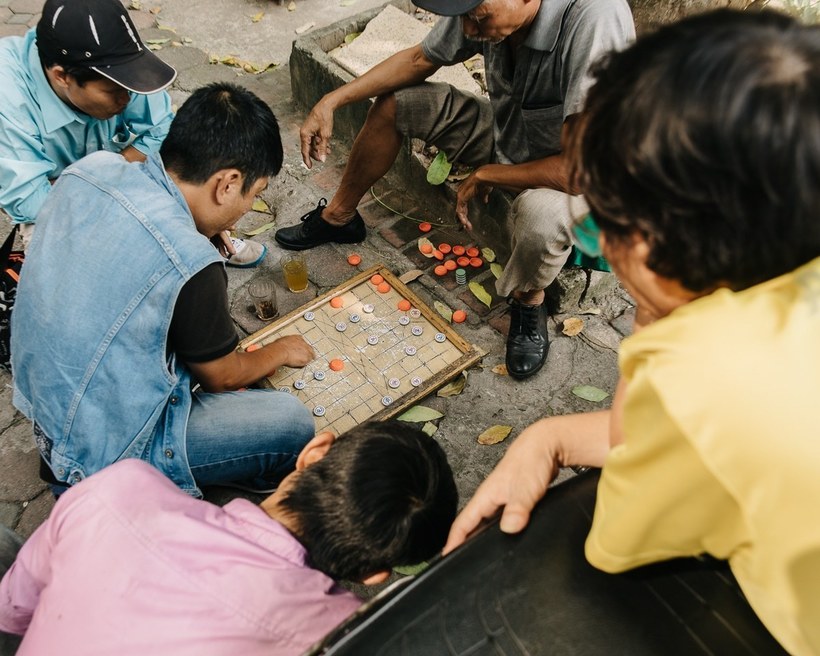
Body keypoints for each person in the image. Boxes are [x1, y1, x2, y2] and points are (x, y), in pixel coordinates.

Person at [444, 9, 820, 656]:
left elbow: (619, 542)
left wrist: (649, 329)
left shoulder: (690, 369)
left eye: (601, 222)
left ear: (644, 248)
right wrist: (551, 435)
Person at [275, 0, 634, 380]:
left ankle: (530, 301)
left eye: (477, 18)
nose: (466, 29)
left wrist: (487, 175)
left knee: (541, 218)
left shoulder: (596, 19)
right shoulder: (480, 11)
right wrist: (333, 100)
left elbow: (579, 171)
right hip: (509, 137)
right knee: (397, 103)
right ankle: (340, 217)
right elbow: (418, 60)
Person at [11, 82, 317, 497]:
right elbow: (222, 377)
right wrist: (280, 350)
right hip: (102, 456)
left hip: (44, 408)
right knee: (291, 422)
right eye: (255, 193)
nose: (247, 209)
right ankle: (237, 487)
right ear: (226, 183)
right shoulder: (190, 260)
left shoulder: (91, 168)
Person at [0, 421, 459, 655]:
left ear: (314, 452)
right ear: (376, 575)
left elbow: (14, 609)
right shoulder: (350, 638)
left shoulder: (119, 488)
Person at [0, 0, 263, 265]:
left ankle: (190, 241)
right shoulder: (7, 94)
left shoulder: (113, 59)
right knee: (80, 271)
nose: (127, 98)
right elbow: (30, 201)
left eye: (129, 87)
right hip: (52, 209)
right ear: (62, 76)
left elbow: (164, 131)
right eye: (113, 92)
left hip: (80, 181)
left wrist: (200, 213)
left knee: (183, 182)